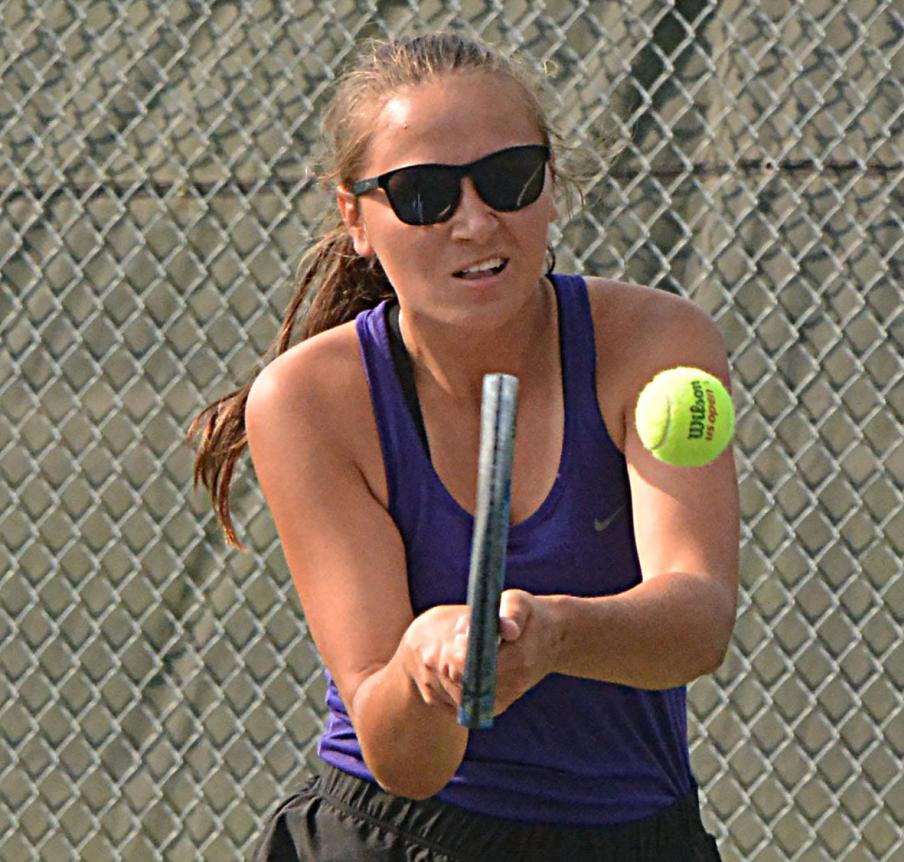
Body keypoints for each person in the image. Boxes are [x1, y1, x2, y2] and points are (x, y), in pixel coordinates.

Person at [190, 31, 739, 861]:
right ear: (356, 219)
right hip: (387, 835)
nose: (476, 221)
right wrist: (424, 671)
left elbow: (697, 625)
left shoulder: (661, 343)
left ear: (551, 185)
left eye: (511, 177)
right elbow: (405, 762)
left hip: (633, 835)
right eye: (421, 195)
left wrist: (551, 633)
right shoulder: (307, 402)